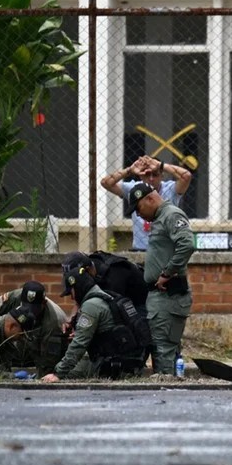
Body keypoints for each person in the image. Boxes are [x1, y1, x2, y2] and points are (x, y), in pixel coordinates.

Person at [127, 182, 196, 375]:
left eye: (138, 208)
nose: (138, 214)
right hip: (160, 296)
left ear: (149, 198)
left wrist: (167, 273)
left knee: (162, 348)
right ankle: (170, 386)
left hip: (168, 295)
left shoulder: (171, 214)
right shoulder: (161, 217)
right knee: (165, 348)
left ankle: (165, 393)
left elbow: (187, 244)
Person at [41, 266, 146, 382]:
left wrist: (58, 373)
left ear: (78, 287)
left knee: (67, 374)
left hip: (112, 367)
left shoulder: (91, 305)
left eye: (71, 292)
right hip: (125, 363)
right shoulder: (104, 296)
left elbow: (79, 344)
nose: (71, 297)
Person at [101, 155, 192, 251]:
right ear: (140, 175)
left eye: (155, 174)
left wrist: (161, 165)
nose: (151, 179)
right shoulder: (134, 189)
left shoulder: (170, 189)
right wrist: (129, 170)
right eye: (147, 174)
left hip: (165, 250)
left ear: (162, 175)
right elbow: (106, 183)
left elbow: (186, 176)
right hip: (140, 250)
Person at [0, 280, 69, 374]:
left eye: (34, 309)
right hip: (21, 340)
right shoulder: (14, 297)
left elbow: (47, 364)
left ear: (44, 303)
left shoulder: (53, 323)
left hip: (41, 345)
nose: (29, 313)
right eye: (26, 307)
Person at [60, 251, 147, 313]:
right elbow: (79, 303)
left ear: (87, 271)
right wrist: (72, 322)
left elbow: (112, 312)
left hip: (141, 303)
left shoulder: (113, 275)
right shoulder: (87, 275)